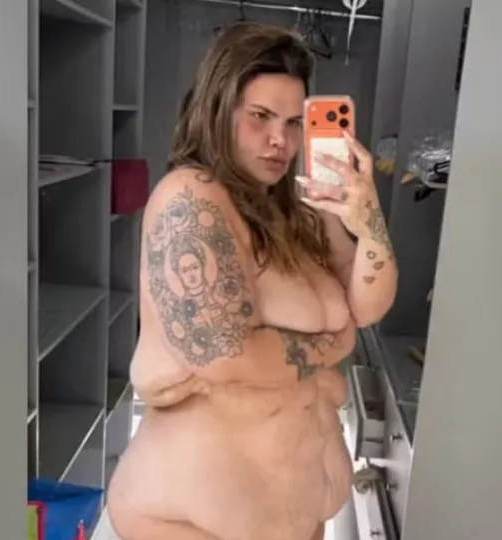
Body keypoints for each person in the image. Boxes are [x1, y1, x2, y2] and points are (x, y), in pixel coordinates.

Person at [106, 22, 397, 540]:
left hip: (296, 515)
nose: (280, 140)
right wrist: (333, 343)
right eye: (260, 117)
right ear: (219, 108)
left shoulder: (303, 209)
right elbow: (224, 353)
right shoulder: (190, 197)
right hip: (192, 523)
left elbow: (367, 306)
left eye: (294, 122)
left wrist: (368, 219)